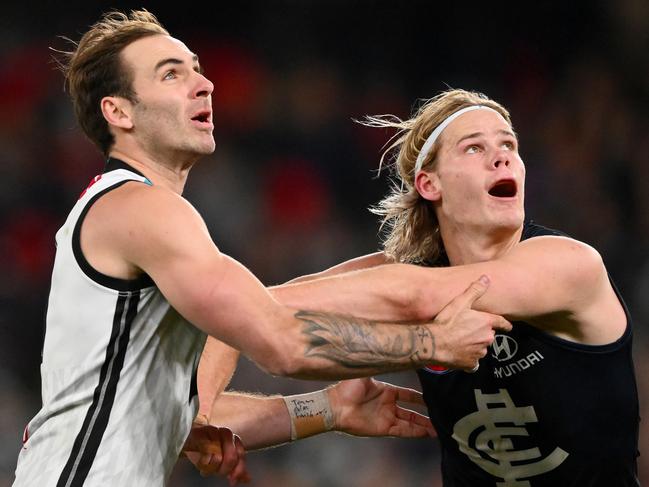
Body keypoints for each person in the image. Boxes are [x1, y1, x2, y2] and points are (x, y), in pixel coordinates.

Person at [12, 11, 511, 487]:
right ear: (118, 112)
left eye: (198, 70)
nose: (203, 84)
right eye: (170, 75)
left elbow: (180, 418)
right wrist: (432, 342)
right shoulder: (140, 209)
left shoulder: (131, 216)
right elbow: (281, 342)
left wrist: (329, 409)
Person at [260, 89, 640, 485]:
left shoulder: (570, 265)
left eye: (509, 143)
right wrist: (321, 410)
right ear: (429, 183)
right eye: (474, 148)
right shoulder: (398, 278)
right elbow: (257, 317)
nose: (502, 155)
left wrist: (250, 306)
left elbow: (416, 295)